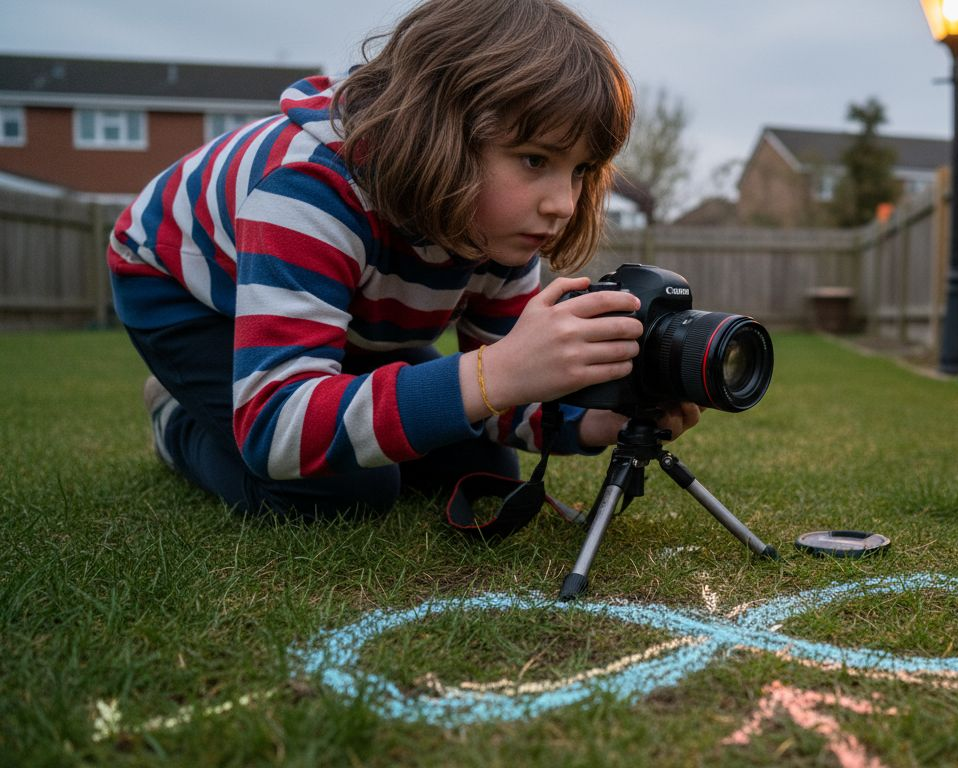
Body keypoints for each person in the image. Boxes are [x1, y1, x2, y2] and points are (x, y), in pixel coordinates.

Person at [107, 0, 700, 520]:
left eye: (580, 170)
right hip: (188, 291)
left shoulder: (504, 224)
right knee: (342, 487)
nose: (563, 204)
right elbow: (278, 430)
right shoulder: (309, 189)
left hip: (354, 307)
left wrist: (591, 422)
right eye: (534, 159)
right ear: (439, 130)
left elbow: (502, 388)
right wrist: (495, 373)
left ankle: (327, 372)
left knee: (483, 466)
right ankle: (176, 421)